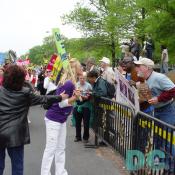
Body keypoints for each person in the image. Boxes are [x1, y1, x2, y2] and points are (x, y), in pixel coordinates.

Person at [0, 65, 67, 175]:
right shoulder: (25, 93)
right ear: (21, 78)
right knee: (17, 166)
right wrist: (60, 97)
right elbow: (43, 99)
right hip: (15, 134)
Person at [41, 58, 82, 175]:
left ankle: (61, 172)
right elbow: (61, 103)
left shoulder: (72, 83)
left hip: (61, 119)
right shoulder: (68, 83)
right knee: (51, 149)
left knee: (60, 148)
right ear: (75, 68)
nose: (82, 69)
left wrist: (76, 96)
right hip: (54, 119)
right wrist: (74, 98)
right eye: (80, 67)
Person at [73, 73, 92, 143]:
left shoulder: (88, 85)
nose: (82, 79)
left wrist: (82, 95)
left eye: (83, 78)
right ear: (78, 78)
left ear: (85, 78)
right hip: (77, 105)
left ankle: (86, 137)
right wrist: (76, 94)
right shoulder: (76, 85)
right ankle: (78, 137)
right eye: (81, 78)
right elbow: (73, 95)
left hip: (86, 105)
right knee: (77, 122)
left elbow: (89, 96)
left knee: (86, 123)